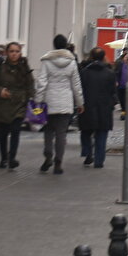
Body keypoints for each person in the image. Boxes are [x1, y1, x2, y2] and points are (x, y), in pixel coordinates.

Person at [35, 34, 84, 175]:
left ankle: (48, 154)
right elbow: (76, 85)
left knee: (48, 131)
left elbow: (42, 82)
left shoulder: (46, 61)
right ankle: (58, 161)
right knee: (61, 134)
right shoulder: (71, 62)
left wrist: (38, 101)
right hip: (65, 102)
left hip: (49, 102)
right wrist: (80, 102)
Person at [0, 41, 34, 170]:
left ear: (20, 53)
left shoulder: (24, 66)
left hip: (19, 103)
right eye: (12, 51)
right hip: (3, 103)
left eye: (17, 51)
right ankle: (3, 158)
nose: (14, 54)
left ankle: (12, 157)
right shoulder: (0, 66)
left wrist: (32, 99)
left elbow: (30, 83)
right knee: (2, 132)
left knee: (15, 130)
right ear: (7, 53)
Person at [79, 48, 117, 168]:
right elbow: (113, 91)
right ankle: (99, 160)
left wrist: (80, 104)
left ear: (91, 57)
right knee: (101, 133)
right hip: (104, 107)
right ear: (103, 57)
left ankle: (88, 152)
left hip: (87, 106)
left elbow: (80, 89)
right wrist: (112, 103)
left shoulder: (84, 72)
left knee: (85, 131)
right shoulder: (109, 73)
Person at [114, 50, 128, 119]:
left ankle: (125, 112)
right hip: (121, 85)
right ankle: (124, 112)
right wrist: (116, 81)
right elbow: (116, 73)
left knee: (127, 100)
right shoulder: (120, 64)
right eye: (126, 57)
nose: (126, 59)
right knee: (122, 99)